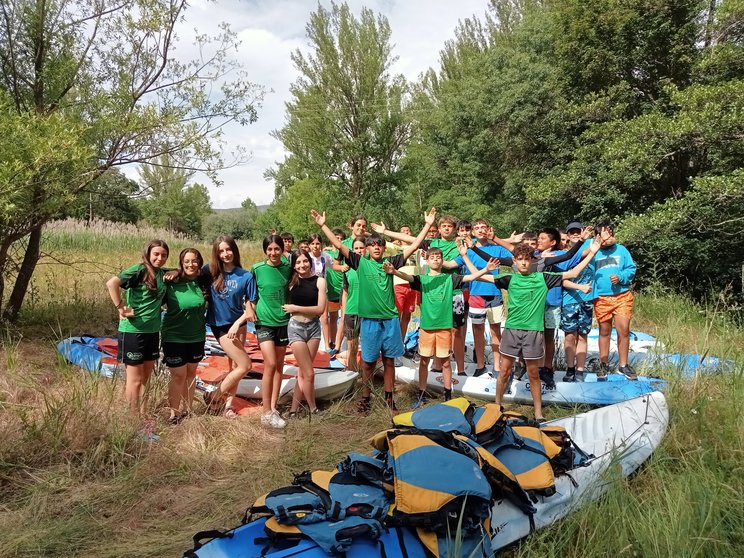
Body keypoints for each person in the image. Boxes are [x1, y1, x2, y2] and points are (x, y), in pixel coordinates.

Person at [311, 207, 436, 415]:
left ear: (384, 248)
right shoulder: (360, 263)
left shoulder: (391, 263)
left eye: (380, 245)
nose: (377, 248)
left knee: (388, 362)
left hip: (389, 321)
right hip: (369, 322)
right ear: (367, 249)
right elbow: (339, 245)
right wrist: (323, 225)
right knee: (368, 364)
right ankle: (365, 398)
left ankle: (389, 400)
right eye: (373, 245)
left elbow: (414, 245)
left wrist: (428, 225)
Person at [461, 240, 601, 421]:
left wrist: (592, 252)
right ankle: (496, 406)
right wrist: (465, 255)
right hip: (511, 331)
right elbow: (477, 276)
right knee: (504, 371)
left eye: (527, 259)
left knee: (534, 374)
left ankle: (538, 412)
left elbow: (574, 272)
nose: (524, 263)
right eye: (520, 259)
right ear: (515, 262)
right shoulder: (509, 279)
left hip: (533, 333)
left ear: (533, 261)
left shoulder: (544, 278)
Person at [385, 246, 498, 409]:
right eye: (433, 257)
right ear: (427, 260)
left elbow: (471, 277)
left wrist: (486, 269)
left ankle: (447, 395)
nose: (436, 259)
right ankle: (422, 393)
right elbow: (407, 277)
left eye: (439, 257)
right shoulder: (422, 279)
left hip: (445, 327)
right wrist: (394, 271)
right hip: (426, 328)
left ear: (442, 260)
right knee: (424, 361)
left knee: (445, 363)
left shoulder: (450, 279)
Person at [373, 215, 467, 377]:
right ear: (438, 229)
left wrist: (434, 259)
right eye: (443, 226)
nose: (446, 228)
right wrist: (385, 231)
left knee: (456, 331)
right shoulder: (432, 243)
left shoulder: (458, 245)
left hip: (454, 292)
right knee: (435, 327)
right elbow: (410, 238)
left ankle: (461, 369)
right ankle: (437, 365)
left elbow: (452, 265)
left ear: (454, 229)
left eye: (449, 226)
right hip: (432, 292)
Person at [106, 240, 169, 416]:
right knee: (135, 380)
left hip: (152, 332)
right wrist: (120, 308)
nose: (160, 258)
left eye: (164, 255)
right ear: (148, 254)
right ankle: (133, 420)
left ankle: (144, 415)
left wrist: (174, 271)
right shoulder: (138, 270)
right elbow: (112, 283)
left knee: (146, 379)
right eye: (156, 254)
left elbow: (178, 272)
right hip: (133, 332)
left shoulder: (162, 273)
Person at [444, 220, 513, 377]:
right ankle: (480, 365)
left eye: (484, 227)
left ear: (489, 229)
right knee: (477, 331)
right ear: (472, 233)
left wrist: (502, 239)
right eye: (477, 228)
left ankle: (496, 366)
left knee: (496, 331)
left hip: (495, 294)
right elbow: (449, 264)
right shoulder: (467, 250)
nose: (481, 230)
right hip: (476, 296)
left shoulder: (498, 249)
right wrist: (430, 256)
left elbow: (515, 257)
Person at [202, 236, 257, 419]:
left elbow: (251, 308)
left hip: (238, 325)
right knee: (245, 365)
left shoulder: (246, 275)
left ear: (234, 250)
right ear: (216, 253)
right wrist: (174, 274)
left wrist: (237, 323)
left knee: (235, 367)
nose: (225, 254)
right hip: (220, 326)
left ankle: (228, 406)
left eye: (228, 249)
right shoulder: (209, 271)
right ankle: (213, 396)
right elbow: (188, 272)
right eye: (221, 250)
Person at [161, 248, 208, 424]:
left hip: (196, 335)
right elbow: (155, 274)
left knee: (190, 373)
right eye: (186, 261)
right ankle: (174, 412)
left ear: (199, 263)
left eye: (194, 261)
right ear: (181, 263)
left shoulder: (203, 281)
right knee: (178, 375)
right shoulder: (172, 281)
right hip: (174, 335)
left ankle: (189, 411)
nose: (190, 264)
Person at [251, 234, 293, 428]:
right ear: (265, 251)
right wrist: (248, 309)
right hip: (264, 321)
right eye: (270, 249)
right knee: (269, 363)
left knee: (278, 365)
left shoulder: (288, 268)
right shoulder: (257, 269)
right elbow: (250, 295)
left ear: (282, 249)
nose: (273, 252)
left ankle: (273, 407)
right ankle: (265, 411)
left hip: (282, 321)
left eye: (277, 249)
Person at [283, 249, 327, 417]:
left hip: (314, 329)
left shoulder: (320, 281)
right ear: (294, 265)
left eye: (305, 261)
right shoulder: (290, 282)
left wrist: (296, 308)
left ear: (310, 261)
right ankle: (313, 408)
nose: (302, 265)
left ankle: (293, 409)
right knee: (309, 372)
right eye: (298, 262)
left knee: (303, 372)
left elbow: (320, 309)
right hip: (296, 329)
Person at [592, 222, 638, 380]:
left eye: (609, 234)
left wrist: (621, 277)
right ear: (597, 237)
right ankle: (603, 364)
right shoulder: (593, 251)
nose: (607, 238)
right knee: (604, 331)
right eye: (603, 235)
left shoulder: (621, 250)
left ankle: (623, 365)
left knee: (623, 330)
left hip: (622, 296)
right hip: (601, 298)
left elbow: (631, 269)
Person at [559, 221, 595, 382]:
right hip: (569, 300)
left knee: (583, 335)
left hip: (586, 300)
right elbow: (561, 280)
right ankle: (570, 368)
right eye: (571, 232)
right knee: (569, 336)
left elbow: (599, 244)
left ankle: (580, 370)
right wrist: (579, 286)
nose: (575, 234)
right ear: (567, 235)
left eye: (577, 231)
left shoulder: (591, 245)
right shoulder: (563, 254)